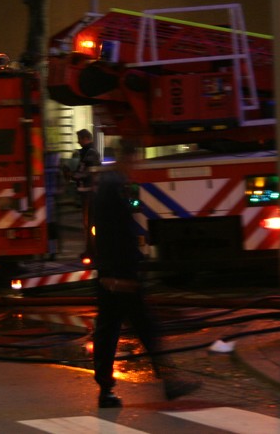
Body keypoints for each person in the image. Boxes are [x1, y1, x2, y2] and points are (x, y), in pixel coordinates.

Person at [91, 139, 198, 408]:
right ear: (128, 157)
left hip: (114, 273)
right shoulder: (115, 187)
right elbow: (116, 233)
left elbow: (104, 232)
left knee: (112, 330)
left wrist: (107, 271)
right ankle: (169, 382)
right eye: (135, 159)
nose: (136, 165)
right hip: (120, 275)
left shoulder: (108, 185)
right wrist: (119, 273)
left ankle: (107, 389)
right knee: (143, 328)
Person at [71, 128, 101, 259]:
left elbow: (85, 172)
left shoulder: (90, 153)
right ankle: (90, 249)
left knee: (90, 224)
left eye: (79, 139)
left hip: (90, 193)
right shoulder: (87, 152)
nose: (78, 142)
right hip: (88, 193)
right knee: (88, 224)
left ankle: (93, 250)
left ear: (85, 138)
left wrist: (73, 176)